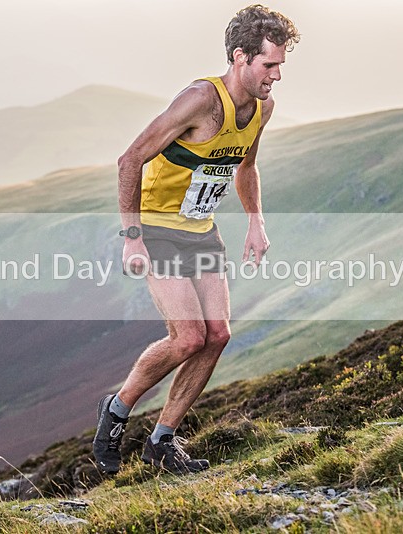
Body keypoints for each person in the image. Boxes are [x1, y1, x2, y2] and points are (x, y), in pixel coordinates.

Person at [93, 4, 299, 475]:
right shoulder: (200, 101)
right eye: (270, 65)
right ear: (240, 57)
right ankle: (117, 409)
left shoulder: (262, 108)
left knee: (218, 335)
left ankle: (162, 441)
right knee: (187, 337)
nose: (277, 76)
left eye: (281, 66)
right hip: (158, 230)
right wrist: (132, 238)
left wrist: (256, 221)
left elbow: (245, 167)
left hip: (201, 230)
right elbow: (129, 159)